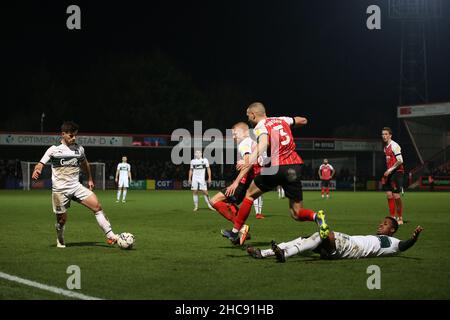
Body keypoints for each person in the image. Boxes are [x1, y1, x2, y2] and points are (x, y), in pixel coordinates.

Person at [221, 102, 328, 245]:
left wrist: (248, 161)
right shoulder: (282, 119)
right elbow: (303, 120)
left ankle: (235, 233)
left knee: (249, 195)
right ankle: (316, 217)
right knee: (296, 212)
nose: (248, 119)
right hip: (295, 166)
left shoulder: (260, 126)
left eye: (248, 116)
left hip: (276, 167)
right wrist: (291, 125)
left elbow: (263, 144)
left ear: (253, 114)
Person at [31, 121, 120, 248]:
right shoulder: (54, 149)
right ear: (63, 134)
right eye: (71, 136)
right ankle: (60, 238)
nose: (74, 138)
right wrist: (38, 169)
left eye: (75, 136)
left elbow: (85, 164)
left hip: (76, 187)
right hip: (60, 191)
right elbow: (40, 163)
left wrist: (89, 179)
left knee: (97, 207)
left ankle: (110, 235)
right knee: (62, 220)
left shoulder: (79, 149)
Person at [248, 215, 423, 262]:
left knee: (324, 234)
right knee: (306, 238)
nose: (380, 225)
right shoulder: (376, 237)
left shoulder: (393, 243)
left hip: (352, 248)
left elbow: (404, 246)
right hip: (347, 244)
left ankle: (285, 255)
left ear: (392, 230)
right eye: (381, 223)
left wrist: (413, 239)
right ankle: (264, 253)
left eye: (385, 224)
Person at [210, 122, 261, 243]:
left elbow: (248, 163)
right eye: (232, 134)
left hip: (245, 181)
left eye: (235, 133)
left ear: (245, 132)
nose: (233, 137)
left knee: (214, 201)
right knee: (227, 202)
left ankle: (241, 228)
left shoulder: (244, 143)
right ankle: (240, 229)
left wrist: (236, 183)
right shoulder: (251, 141)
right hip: (252, 179)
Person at [381, 127, 405, 225]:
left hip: (397, 172)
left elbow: (400, 160)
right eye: (383, 134)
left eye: (386, 134)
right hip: (389, 173)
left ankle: (400, 217)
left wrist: (390, 170)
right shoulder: (385, 147)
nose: (384, 136)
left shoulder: (395, 146)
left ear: (390, 135)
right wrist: (387, 173)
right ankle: (392, 217)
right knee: (389, 195)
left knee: (396, 195)